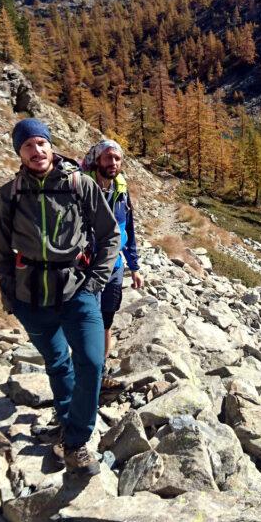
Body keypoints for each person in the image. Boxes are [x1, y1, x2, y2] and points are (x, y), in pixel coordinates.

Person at [0, 118, 120, 475]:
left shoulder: (80, 184)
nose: (37, 151)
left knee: (92, 362)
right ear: (19, 152)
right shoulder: (9, 194)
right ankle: (67, 426)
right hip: (30, 293)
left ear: (51, 145)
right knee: (56, 362)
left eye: (41, 143)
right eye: (28, 146)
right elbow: (0, 251)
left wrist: (97, 279)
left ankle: (77, 440)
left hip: (77, 288)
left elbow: (110, 235)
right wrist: (9, 296)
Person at [80, 139, 144, 390]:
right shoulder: (81, 187)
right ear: (97, 159)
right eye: (108, 157)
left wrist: (135, 267)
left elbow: (128, 229)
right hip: (88, 267)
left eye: (117, 159)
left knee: (106, 318)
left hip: (115, 266)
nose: (113, 163)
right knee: (89, 319)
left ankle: (101, 367)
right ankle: (88, 370)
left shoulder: (121, 189)